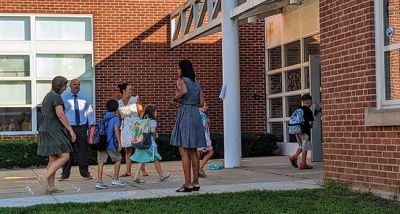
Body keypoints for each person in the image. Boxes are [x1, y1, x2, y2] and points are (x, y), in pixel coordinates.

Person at [170, 59, 206, 193]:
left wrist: (175, 98)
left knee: (183, 150)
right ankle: (196, 182)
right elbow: (201, 103)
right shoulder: (197, 83)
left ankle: (187, 184)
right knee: (193, 150)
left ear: (183, 69)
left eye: (178, 68)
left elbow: (184, 91)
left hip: (185, 114)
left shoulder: (181, 80)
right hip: (195, 114)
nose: (177, 71)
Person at [37, 76, 76, 194]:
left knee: (53, 158)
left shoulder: (48, 96)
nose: (65, 88)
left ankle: (50, 187)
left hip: (45, 129)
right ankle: (44, 177)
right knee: (65, 156)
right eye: (65, 86)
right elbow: (60, 115)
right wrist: (71, 130)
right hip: (54, 130)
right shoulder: (56, 97)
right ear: (60, 85)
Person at [60, 79, 94, 181]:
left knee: (83, 151)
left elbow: (90, 113)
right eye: (75, 84)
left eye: (78, 84)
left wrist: (92, 126)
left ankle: (85, 173)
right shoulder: (63, 98)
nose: (77, 86)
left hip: (82, 127)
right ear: (70, 86)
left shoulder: (84, 98)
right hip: (69, 127)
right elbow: (61, 114)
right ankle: (65, 174)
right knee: (67, 151)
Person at [131, 105, 171, 183]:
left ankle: (136, 176)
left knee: (141, 160)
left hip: (142, 143)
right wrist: (155, 135)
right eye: (155, 111)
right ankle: (161, 176)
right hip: (150, 144)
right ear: (152, 112)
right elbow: (152, 130)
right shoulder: (152, 121)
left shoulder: (143, 120)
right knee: (156, 159)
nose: (156, 113)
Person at [117, 83, 148, 177]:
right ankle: (128, 171)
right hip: (125, 125)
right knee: (128, 149)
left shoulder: (135, 99)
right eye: (129, 89)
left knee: (138, 147)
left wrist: (141, 124)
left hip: (136, 124)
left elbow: (141, 111)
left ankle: (143, 170)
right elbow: (118, 115)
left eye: (131, 89)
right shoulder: (118, 103)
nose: (131, 91)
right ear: (124, 90)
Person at [95, 99, 125, 189]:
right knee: (118, 159)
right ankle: (115, 178)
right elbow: (116, 130)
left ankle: (99, 181)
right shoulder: (115, 118)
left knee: (101, 162)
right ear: (116, 108)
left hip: (101, 143)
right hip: (111, 144)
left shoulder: (103, 117)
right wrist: (120, 143)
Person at [289, 94, 315, 170]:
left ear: (302, 102)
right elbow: (310, 123)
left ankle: (294, 157)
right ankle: (303, 164)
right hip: (304, 131)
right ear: (310, 102)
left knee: (301, 146)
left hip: (297, 130)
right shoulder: (308, 111)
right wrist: (311, 125)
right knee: (305, 148)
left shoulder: (298, 110)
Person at [197, 102, 214, 178]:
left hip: (203, 137)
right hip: (202, 137)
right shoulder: (201, 115)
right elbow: (203, 126)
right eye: (205, 105)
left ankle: (199, 168)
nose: (207, 107)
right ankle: (198, 168)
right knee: (204, 152)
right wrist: (207, 123)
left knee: (205, 152)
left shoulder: (202, 115)